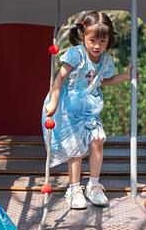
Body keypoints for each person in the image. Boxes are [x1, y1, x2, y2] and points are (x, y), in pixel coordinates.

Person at [43, 11, 132, 209]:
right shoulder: (76, 54)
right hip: (68, 107)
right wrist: (54, 101)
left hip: (89, 106)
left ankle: (94, 184)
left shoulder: (106, 60)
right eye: (92, 40)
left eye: (103, 40)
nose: (97, 46)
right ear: (83, 35)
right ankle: (74, 189)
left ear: (109, 39)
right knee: (75, 149)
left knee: (97, 140)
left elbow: (103, 81)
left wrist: (125, 77)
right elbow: (60, 78)